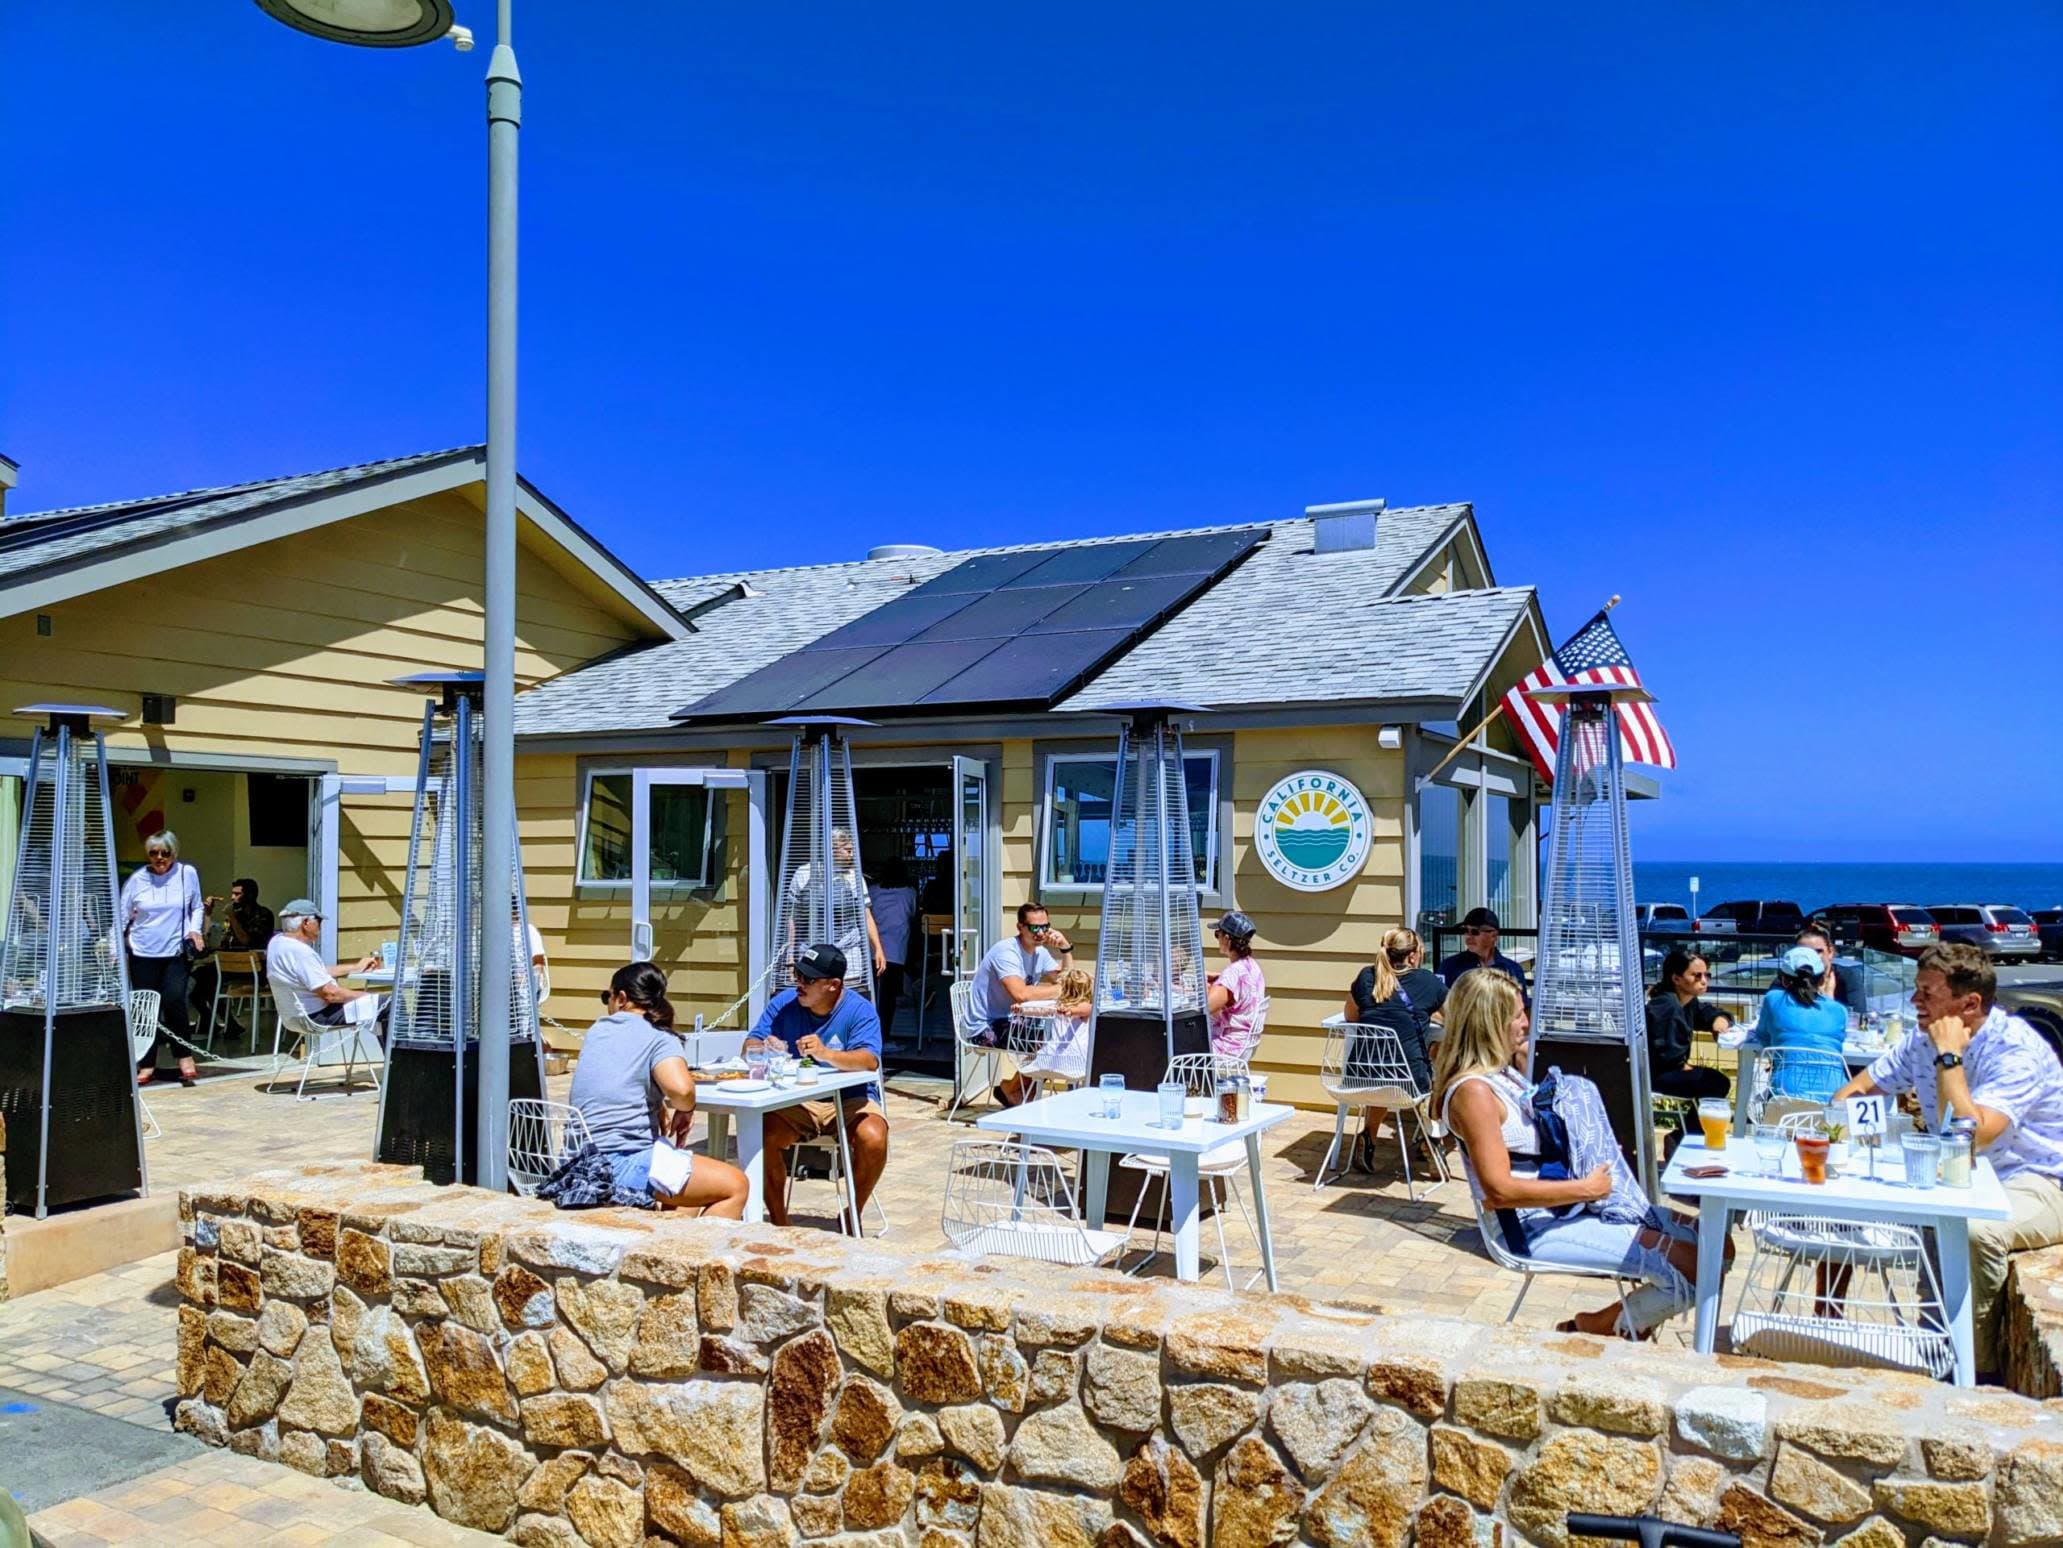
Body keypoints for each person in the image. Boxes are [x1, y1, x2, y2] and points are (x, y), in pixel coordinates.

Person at [1835, 943, 2063, 1378]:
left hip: (2038, 1180)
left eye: (1927, 993)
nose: (1914, 1001)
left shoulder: (2016, 1051)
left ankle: (1974, 1369)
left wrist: (1949, 1057)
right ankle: (1933, 1346)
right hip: (1960, 1176)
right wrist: (1843, 1132)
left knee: (1974, 1228)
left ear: (1969, 1003)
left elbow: (1970, 1137)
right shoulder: (1920, 1041)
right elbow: (1854, 1093)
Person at [1434, 970, 1700, 1338]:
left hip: (1565, 1209)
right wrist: (1588, 1188)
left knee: (1717, 1244)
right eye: (1517, 1015)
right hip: (1530, 1227)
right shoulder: (1473, 1092)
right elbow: (1499, 1192)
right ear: (1489, 1022)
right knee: (1694, 1265)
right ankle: (1606, 1326)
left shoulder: (1502, 1075)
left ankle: (1610, 1324)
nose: (1526, 1023)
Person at [569, 962, 749, 1216]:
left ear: (621, 998)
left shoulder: (597, 1031)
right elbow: (682, 1091)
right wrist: (685, 1109)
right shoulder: (659, 1036)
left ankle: (671, 1241)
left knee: (690, 1196)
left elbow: (618, 1081)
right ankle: (699, 1244)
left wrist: (657, 1103)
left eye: (606, 997)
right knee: (736, 1185)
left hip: (579, 1159)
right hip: (617, 1163)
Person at [749, 943, 890, 1228]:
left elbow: (869, 1061)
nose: (798, 984)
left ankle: (852, 1214)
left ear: (833, 985)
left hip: (849, 1100)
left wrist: (826, 1054)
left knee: (874, 1137)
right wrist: (763, 1048)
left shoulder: (859, 1011)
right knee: (760, 1135)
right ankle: (780, 1223)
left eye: (808, 979)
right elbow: (750, 1044)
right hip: (796, 1102)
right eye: (797, 975)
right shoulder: (784, 1004)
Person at [121, 830, 205, 1087]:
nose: (159, 858)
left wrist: (195, 930)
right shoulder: (137, 879)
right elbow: (122, 913)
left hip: (175, 951)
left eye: (165, 853)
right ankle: (146, 1062)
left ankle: (184, 1056)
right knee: (146, 1007)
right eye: (153, 853)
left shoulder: (186, 873)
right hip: (143, 951)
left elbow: (197, 906)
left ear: (174, 853)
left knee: (173, 998)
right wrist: (115, 948)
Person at [968, 902, 1072, 1106]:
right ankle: (1017, 1092)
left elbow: (1067, 982)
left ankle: (1014, 1090)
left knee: (1058, 1035)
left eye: (1045, 927)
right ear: (1020, 927)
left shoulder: (1040, 952)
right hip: (985, 1026)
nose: (1041, 933)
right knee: (1044, 1042)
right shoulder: (1006, 952)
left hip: (1012, 1019)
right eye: (1035, 928)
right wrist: (1059, 990)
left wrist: (1065, 948)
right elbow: (1021, 994)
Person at [265, 900, 388, 1033]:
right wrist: (367, 996)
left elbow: (316, 973)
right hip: (317, 1017)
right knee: (389, 1004)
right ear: (306, 923)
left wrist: (356, 967)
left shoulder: (277, 943)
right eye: (319, 921)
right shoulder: (300, 952)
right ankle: (399, 1048)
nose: (320, 927)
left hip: (293, 1018)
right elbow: (331, 994)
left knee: (381, 1004)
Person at [787, 829, 886, 983]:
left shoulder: (854, 878)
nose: (851, 855)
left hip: (848, 954)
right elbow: (792, 918)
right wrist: (790, 956)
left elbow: (866, 916)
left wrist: (878, 948)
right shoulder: (803, 874)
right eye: (848, 850)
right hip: (810, 952)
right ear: (833, 849)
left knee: (846, 993)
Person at [1756, 944, 1848, 1100]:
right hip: (1834, 1098)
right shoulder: (1839, 1011)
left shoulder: (1773, 1000)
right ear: (1822, 980)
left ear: (1783, 980)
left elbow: (1763, 1036)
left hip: (1785, 1096)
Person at [1644, 946, 1733, 1102]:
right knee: (1716, 1083)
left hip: (1670, 1068)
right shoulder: (1667, 1006)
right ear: (1676, 979)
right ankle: (1696, 1120)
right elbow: (1664, 1055)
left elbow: (1705, 1013)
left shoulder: (1687, 1000)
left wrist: (1719, 1020)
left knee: (1713, 1081)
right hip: (1655, 1074)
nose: (1704, 981)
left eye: (1707, 975)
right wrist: (1686, 1067)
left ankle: (1695, 1119)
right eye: (1697, 976)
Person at [189, 877, 276, 1031]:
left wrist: (233, 918)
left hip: (255, 968)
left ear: (249, 895)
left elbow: (247, 941)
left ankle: (223, 1023)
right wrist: (208, 915)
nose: (232, 897)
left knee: (206, 981)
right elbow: (217, 942)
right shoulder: (235, 914)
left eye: (237, 894)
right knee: (196, 982)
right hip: (230, 964)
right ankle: (215, 1021)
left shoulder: (263, 914)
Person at [865, 859, 920, 1037]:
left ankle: (869, 1035)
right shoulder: (909, 893)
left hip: (873, 949)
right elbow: (913, 915)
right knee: (888, 997)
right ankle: (884, 1036)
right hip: (896, 951)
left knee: (871, 995)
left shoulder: (873, 891)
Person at [1206, 911, 1266, 1061]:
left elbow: (1205, 1008)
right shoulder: (1252, 967)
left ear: (1227, 939)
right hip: (1244, 1044)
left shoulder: (1232, 973)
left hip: (1227, 1047)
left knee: (1174, 1044)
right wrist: (1216, 980)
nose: (1217, 939)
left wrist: (1201, 988)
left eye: (1217, 934)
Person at [1437, 908, 1530, 1004]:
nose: (1468, 936)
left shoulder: (1512, 970)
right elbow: (1439, 1004)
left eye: (1475, 932)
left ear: (1494, 936)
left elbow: (1522, 1006)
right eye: (1465, 930)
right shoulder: (1449, 966)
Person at [1797, 921, 1865, 1013]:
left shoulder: (1848, 977)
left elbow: (1857, 1015)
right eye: (1804, 953)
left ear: (1830, 952)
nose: (1811, 957)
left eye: (1818, 951)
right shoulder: (1789, 979)